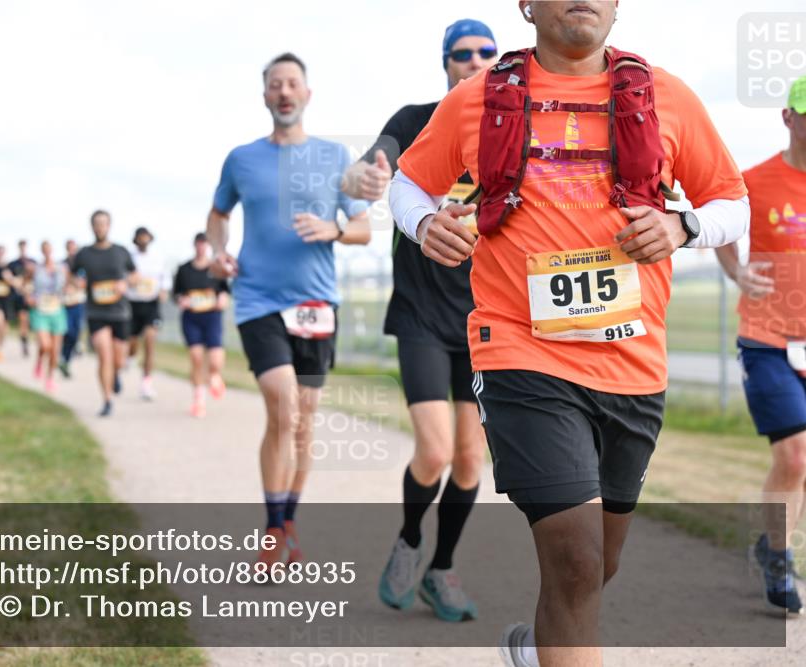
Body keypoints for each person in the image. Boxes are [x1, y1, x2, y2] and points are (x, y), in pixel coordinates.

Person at [389, 2, 749, 664]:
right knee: (577, 557)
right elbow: (408, 183)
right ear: (526, 4)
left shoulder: (664, 96)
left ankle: (535, 648)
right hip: (522, 353)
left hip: (633, 367)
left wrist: (683, 226)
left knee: (595, 564)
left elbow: (731, 200)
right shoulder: (477, 100)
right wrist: (422, 223)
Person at [342, 18, 496, 623]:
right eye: (463, 53)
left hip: (485, 319)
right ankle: (409, 542)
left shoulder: (512, 135)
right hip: (421, 315)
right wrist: (362, 177)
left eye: (488, 52)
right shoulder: (416, 120)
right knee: (433, 453)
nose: (476, 61)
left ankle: (442, 570)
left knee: (469, 460)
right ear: (446, 62)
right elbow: (370, 165)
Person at [207, 52, 371, 572]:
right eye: (275, 84)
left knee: (303, 422)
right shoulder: (241, 159)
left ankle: (289, 518)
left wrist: (335, 230)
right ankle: (274, 528)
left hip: (316, 304)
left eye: (292, 84)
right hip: (257, 299)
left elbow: (364, 228)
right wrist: (217, 251)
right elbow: (218, 214)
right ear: (264, 96)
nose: (284, 92)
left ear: (307, 94)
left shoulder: (333, 158)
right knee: (282, 405)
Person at [715, 75, 806, 615]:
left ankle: (772, 541)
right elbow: (725, 228)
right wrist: (737, 273)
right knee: (794, 453)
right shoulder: (758, 180)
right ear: (789, 117)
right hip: (767, 338)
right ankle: (779, 553)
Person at [70, 210, 139, 417]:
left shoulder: (120, 251)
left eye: (103, 223)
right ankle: (107, 399)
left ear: (109, 226)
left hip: (119, 312)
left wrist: (125, 283)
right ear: (92, 226)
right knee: (103, 355)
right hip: (96, 311)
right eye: (97, 224)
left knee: (118, 360)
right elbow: (72, 275)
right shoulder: (84, 254)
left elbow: (135, 275)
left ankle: (116, 374)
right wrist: (77, 282)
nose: (100, 227)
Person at [173, 232, 230, 418]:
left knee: (214, 360)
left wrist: (223, 298)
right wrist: (181, 300)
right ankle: (198, 400)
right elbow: (176, 293)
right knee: (196, 358)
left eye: (204, 244)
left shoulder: (216, 268)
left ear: (208, 246)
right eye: (198, 244)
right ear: (194, 245)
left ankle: (214, 376)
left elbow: (225, 292)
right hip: (192, 318)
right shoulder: (184, 269)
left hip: (212, 317)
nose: (201, 247)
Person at [127, 226, 170, 400]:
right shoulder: (129, 258)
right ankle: (130, 356)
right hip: (133, 304)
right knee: (132, 343)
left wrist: (164, 290)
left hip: (151, 304)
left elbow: (165, 279)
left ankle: (146, 382)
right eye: (140, 237)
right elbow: (123, 278)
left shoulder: (158, 258)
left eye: (146, 237)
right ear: (136, 239)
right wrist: (129, 280)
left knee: (150, 341)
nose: (143, 240)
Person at [27, 241, 69, 393]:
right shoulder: (35, 269)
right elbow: (25, 284)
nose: (47, 253)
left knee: (55, 350)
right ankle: (39, 360)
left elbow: (69, 285)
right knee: (45, 345)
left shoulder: (61, 269)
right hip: (40, 311)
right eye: (44, 250)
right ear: (41, 251)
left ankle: (49, 377)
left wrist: (70, 291)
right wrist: (28, 296)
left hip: (57, 310)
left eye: (49, 250)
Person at [60, 239, 87, 378]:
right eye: (70, 248)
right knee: (67, 332)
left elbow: (82, 283)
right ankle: (63, 357)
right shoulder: (63, 264)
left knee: (76, 331)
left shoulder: (82, 265)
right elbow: (62, 282)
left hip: (78, 302)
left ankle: (66, 359)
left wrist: (72, 281)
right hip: (65, 303)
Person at [8, 239, 35, 358]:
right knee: (23, 320)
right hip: (20, 297)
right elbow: (10, 279)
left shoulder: (33, 262)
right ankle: (24, 343)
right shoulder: (13, 264)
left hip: (33, 297)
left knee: (32, 322)